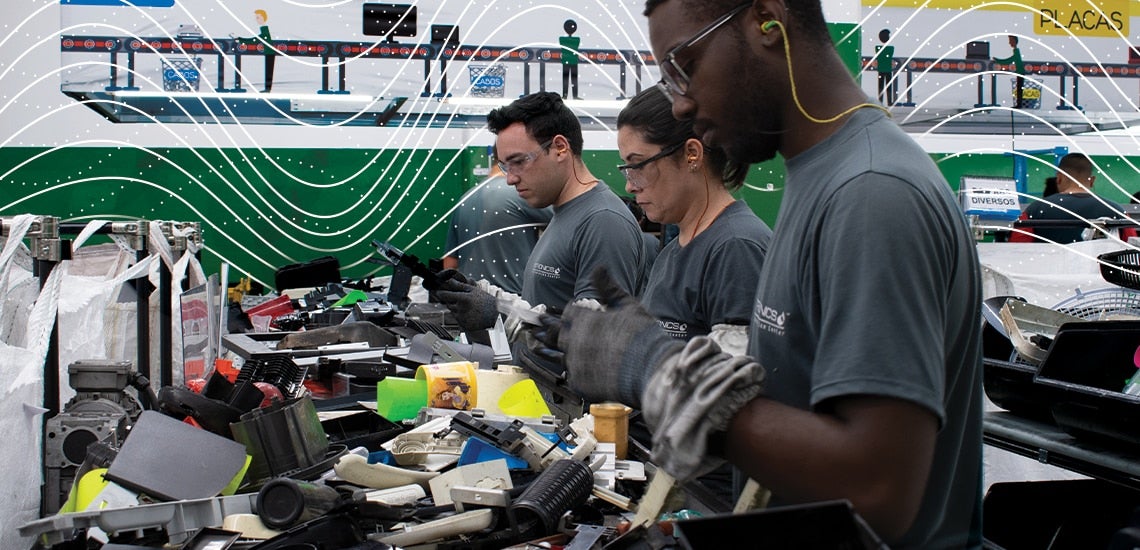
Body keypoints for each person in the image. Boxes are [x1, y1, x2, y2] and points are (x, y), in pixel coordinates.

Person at [534, 1, 983, 548]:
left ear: (767, 21)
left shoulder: (871, 192)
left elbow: (876, 490)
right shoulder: (820, 174)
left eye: (684, 64)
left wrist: (659, 373)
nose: (679, 104)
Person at [434, 91, 647, 332]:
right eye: (505, 166)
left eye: (519, 161)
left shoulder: (603, 221)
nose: (510, 179)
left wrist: (499, 314)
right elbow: (542, 306)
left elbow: (595, 339)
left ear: (559, 148)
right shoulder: (563, 213)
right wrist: (483, 294)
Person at [617, 87, 770, 352]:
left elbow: (735, 384)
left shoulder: (736, 249)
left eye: (638, 165)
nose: (630, 187)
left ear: (692, 154)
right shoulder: (677, 249)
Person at [443, 163, 553, 295]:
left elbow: (450, 263)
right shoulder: (521, 194)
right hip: (512, 302)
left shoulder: (464, 199)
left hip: (470, 300)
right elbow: (570, 220)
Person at [1014, 153, 1121, 244]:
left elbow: (1017, 248)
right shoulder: (1117, 211)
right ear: (1092, 180)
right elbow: (1132, 249)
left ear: (1059, 178)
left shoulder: (1035, 210)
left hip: (1048, 267)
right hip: (1098, 268)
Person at [236, 9, 276, 93]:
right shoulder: (264, 29)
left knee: (269, 71)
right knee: (268, 70)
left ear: (263, 18)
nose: (256, 20)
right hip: (268, 52)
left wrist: (241, 40)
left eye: (258, 18)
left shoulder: (265, 30)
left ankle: (268, 89)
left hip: (270, 53)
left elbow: (255, 40)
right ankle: (267, 88)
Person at [993, 35, 1024, 108]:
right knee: (1019, 89)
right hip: (1019, 72)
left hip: (1020, 72)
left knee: (1019, 89)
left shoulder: (1016, 51)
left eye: (1011, 41)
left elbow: (1009, 60)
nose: (1009, 43)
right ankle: (1019, 104)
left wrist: (998, 60)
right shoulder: (1016, 51)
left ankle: (1019, 104)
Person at [559, 19, 582, 100]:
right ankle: (574, 96)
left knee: (565, 78)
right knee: (574, 79)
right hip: (574, 61)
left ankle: (565, 95)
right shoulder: (577, 40)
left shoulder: (562, 39)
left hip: (566, 61)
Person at [873, 28, 895, 106]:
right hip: (888, 69)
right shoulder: (891, 49)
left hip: (881, 69)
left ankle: (880, 100)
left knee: (880, 85)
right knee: (888, 86)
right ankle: (889, 101)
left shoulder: (877, 48)